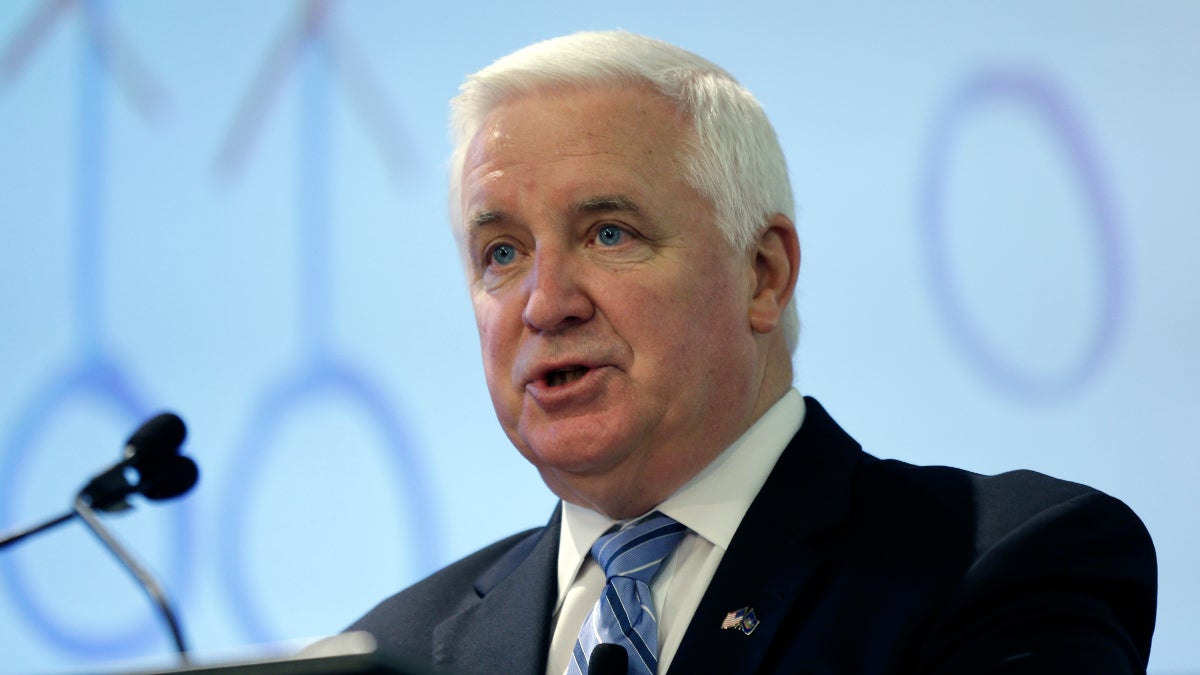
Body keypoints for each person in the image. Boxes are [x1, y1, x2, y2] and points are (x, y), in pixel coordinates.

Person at [349, 31, 1156, 674]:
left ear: (762, 274)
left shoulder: (999, 566)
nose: (545, 302)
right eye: (501, 252)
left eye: (608, 232)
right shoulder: (396, 646)